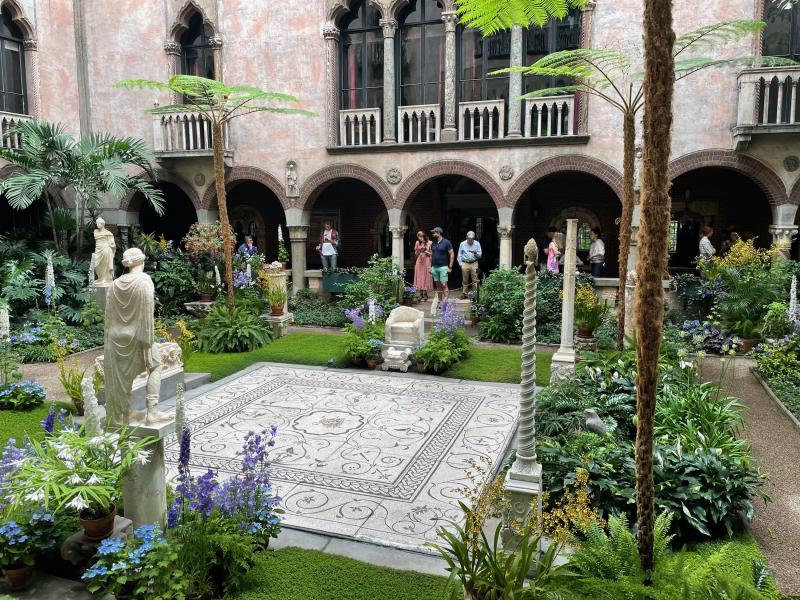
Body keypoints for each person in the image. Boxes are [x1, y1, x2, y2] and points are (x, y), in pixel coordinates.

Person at [104, 248, 170, 426]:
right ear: (141, 261)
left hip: (116, 338)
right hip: (138, 334)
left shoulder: (114, 284)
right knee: (155, 366)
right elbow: (148, 312)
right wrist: (148, 340)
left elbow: (108, 317)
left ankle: (123, 413)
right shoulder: (144, 280)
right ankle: (152, 412)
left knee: (121, 378)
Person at [429, 227, 454, 300]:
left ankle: (445, 302)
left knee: (444, 284)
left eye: (434, 233)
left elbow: (452, 254)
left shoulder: (446, 242)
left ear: (439, 233)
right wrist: (430, 267)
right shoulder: (433, 243)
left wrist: (450, 267)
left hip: (443, 267)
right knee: (438, 285)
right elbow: (431, 255)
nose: (433, 234)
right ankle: (440, 301)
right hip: (434, 267)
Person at [457, 231, 483, 298]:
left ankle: (476, 294)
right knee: (465, 279)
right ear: (466, 237)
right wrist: (461, 264)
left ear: (474, 238)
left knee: (476, 279)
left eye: (472, 239)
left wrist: (475, 253)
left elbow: (480, 256)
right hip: (465, 263)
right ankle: (464, 293)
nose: (470, 240)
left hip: (475, 263)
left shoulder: (477, 244)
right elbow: (459, 255)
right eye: (469, 239)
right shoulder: (462, 244)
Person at [92, 217, 116, 285]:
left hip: (106, 249)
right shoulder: (95, 231)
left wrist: (112, 244)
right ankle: (100, 278)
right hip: (98, 250)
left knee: (106, 265)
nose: (97, 225)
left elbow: (112, 243)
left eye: (98, 223)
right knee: (96, 265)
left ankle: (106, 279)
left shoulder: (108, 233)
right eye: (96, 223)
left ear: (102, 224)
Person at [413, 230, 433, 300]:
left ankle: (425, 293)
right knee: (420, 276)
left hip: (427, 260)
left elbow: (432, 253)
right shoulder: (417, 243)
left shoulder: (430, 243)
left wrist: (427, 252)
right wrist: (419, 250)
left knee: (425, 276)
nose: (420, 238)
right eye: (418, 236)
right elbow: (416, 254)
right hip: (420, 261)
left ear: (424, 236)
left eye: (421, 236)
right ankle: (420, 294)